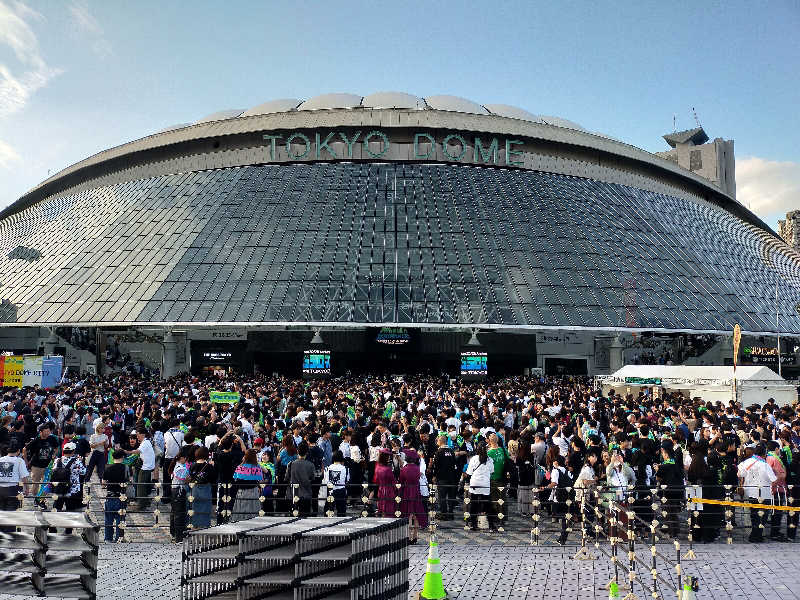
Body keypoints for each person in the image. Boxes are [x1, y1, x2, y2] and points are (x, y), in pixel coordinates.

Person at [737, 443, 777, 543]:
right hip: (764, 492)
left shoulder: (747, 462)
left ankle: (754, 535)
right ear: (764, 454)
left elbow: (739, 473)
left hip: (751, 491)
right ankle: (757, 535)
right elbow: (773, 479)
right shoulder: (764, 464)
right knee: (763, 516)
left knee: (754, 515)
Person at [52, 442, 86, 534]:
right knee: (70, 509)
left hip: (59, 488)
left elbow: (53, 471)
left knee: (57, 508)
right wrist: (81, 461)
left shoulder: (57, 460)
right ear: (73, 451)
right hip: (72, 489)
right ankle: (68, 529)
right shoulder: (76, 461)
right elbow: (83, 472)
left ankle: (52, 527)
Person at [26, 423, 60, 507]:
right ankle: (36, 498)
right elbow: (25, 449)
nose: (48, 433)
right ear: (41, 432)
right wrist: (26, 462)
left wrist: (54, 454)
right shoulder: (36, 440)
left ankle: (40, 500)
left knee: (46, 484)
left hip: (48, 465)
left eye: (49, 431)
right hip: (37, 466)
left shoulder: (52, 438)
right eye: (46, 431)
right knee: (35, 484)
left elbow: (57, 447)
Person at [466, 444, 497, 531]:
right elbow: (492, 471)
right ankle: (491, 525)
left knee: (474, 504)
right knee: (487, 504)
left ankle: (473, 524)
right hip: (485, 484)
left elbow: (469, 472)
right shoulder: (489, 460)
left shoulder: (474, 459)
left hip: (475, 483)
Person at [399, 449, 427, 542]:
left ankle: (408, 536)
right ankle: (415, 536)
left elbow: (401, 481)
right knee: (416, 514)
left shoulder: (404, 469)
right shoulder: (417, 468)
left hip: (407, 491)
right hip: (416, 491)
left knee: (408, 514)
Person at [0, 443, 30, 529]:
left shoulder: (1, 459)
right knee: (11, 513)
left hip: (0, 488)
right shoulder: (19, 461)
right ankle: (10, 534)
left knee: (1, 511)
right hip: (12, 489)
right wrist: (27, 489)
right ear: (18, 451)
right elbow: (24, 477)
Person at [102, 449, 128, 543]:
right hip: (121, 496)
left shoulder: (108, 468)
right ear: (123, 458)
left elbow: (103, 483)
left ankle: (108, 538)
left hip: (110, 496)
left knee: (108, 518)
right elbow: (130, 481)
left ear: (113, 458)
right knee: (120, 518)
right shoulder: (126, 468)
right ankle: (119, 538)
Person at [431, 433, 459, 520]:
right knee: (450, 496)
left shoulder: (439, 452)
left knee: (442, 497)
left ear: (440, 441)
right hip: (452, 477)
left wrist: (434, 476)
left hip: (442, 478)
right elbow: (455, 464)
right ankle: (450, 513)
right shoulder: (451, 451)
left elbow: (436, 466)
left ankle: (444, 514)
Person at [127, 427, 156, 510]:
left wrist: (126, 451)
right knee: (144, 485)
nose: (137, 436)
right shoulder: (145, 441)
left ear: (142, 434)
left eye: (138, 435)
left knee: (140, 486)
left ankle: (141, 505)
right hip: (147, 466)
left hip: (146, 467)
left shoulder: (145, 443)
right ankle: (146, 502)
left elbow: (137, 451)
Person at [232, 449, 264, 521]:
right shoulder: (257, 467)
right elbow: (260, 479)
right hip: (253, 491)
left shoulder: (240, 467)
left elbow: (235, 478)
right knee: (253, 508)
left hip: (241, 491)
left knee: (240, 509)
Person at [287, 441, 315, 516]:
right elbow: (313, 478)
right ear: (307, 452)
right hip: (306, 494)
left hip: (293, 494)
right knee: (305, 518)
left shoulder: (291, 464)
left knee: (292, 518)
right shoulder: (311, 465)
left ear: (297, 451)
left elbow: (286, 477)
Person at [189, 446, 215, 529]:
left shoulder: (192, 465)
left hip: (195, 489)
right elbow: (213, 478)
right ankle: (204, 527)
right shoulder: (209, 466)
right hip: (206, 489)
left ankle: (194, 526)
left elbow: (190, 477)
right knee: (206, 509)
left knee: (194, 508)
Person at [323, 450, 349, 517]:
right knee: (341, 511)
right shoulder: (345, 469)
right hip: (341, 490)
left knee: (328, 511)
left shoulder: (327, 468)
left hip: (331, 490)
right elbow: (347, 480)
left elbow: (326, 481)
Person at [373, 449, 397, 518]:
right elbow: (393, 481)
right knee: (389, 510)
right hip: (389, 490)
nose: (389, 457)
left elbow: (376, 480)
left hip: (381, 490)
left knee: (382, 508)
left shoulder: (377, 467)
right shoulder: (387, 469)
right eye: (388, 456)